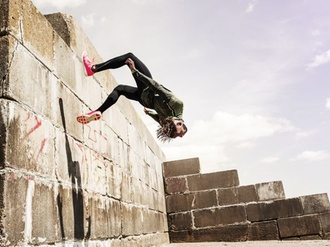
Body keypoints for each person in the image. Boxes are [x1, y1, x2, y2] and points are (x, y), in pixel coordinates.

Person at [77, 52, 187, 142]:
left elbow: (156, 87)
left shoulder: (177, 105)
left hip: (148, 90)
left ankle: (93, 68)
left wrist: (135, 72)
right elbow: (159, 118)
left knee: (129, 57)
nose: (170, 120)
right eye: (175, 123)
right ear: (181, 122)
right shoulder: (168, 124)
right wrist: (149, 113)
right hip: (144, 101)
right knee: (119, 89)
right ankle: (99, 111)